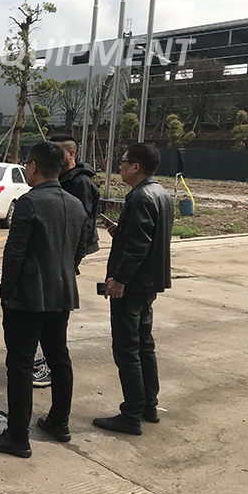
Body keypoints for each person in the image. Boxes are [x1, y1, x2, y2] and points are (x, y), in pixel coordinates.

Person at [0, 142, 88, 458]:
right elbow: (80, 251)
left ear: (33, 166)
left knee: (21, 364)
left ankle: (17, 436)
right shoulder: (76, 204)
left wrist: (6, 290)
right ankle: (59, 422)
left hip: (27, 298)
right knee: (59, 358)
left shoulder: (29, 203)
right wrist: (65, 272)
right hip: (63, 294)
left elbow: (13, 253)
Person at [93, 142, 173, 435]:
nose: (120, 167)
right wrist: (121, 231)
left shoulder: (140, 197)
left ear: (136, 166)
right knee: (144, 345)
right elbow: (145, 237)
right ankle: (148, 405)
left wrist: (119, 279)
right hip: (149, 284)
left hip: (132, 285)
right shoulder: (161, 193)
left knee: (126, 349)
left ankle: (131, 415)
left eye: (123, 162)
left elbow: (139, 247)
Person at [30, 134, 102, 388]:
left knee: (55, 312)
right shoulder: (62, 179)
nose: (54, 155)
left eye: (58, 151)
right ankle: (48, 356)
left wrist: (70, 264)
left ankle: (52, 365)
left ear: (71, 155)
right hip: (55, 254)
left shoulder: (79, 183)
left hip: (65, 255)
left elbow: (80, 227)